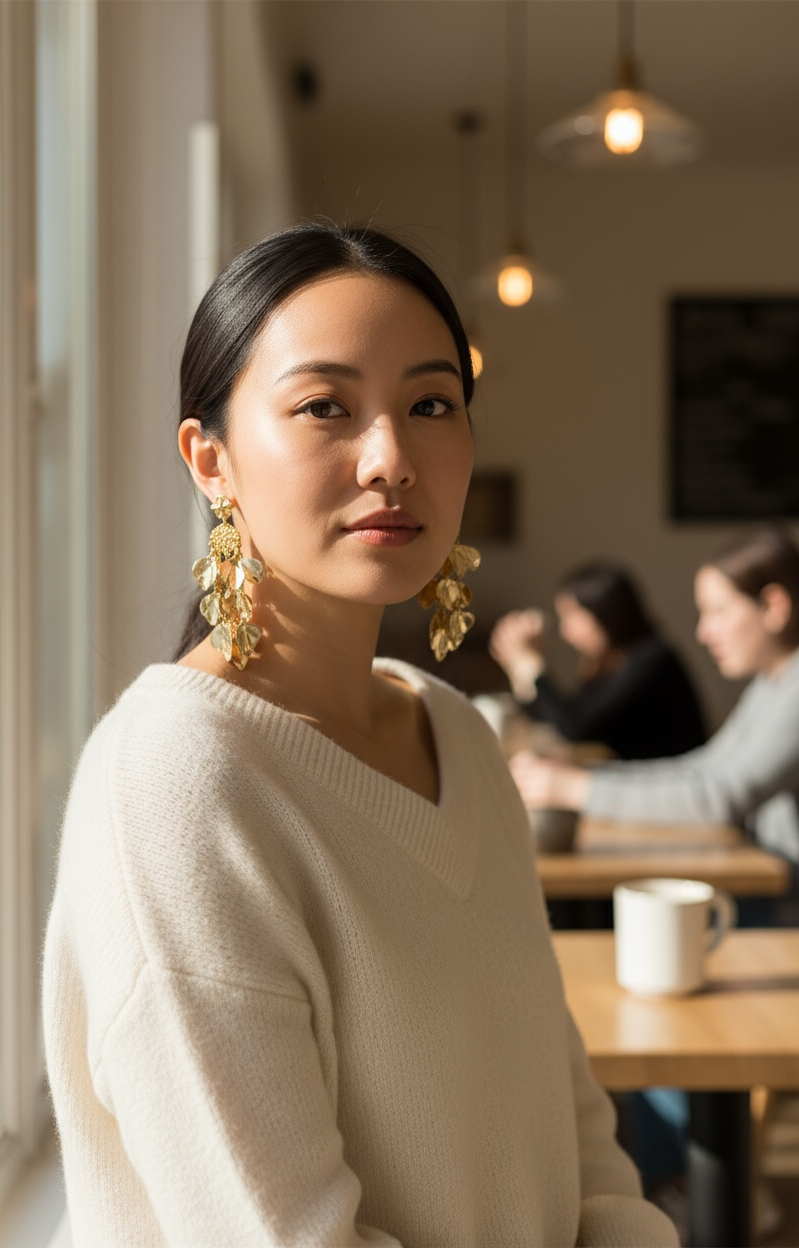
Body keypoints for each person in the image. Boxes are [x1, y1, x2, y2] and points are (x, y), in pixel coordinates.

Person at [42, 222, 676, 1246]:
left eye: (431, 405)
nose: (391, 459)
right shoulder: (174, 776)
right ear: (211, 461)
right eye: (324, 407)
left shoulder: (457, 734)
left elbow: (567, 1120)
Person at [511, 527, 799, 881]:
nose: (703, 632)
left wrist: (574, 788)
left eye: (718, 611)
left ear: (773, 607)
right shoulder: (773, 681)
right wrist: (584, 777)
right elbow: (704, 769)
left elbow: (720, 798)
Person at [489, 562, 706, 760]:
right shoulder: (609, 661)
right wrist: (519, 668)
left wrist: (530, 665)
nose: (566, 632)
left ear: (606, 614)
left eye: (572, 617)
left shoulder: (652, 661)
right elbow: (556, 717)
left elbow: (575, 728)